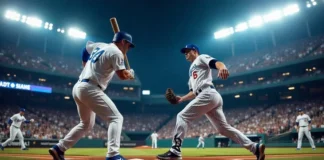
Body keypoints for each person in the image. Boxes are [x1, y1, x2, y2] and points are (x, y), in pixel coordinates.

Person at [156, 44, 265, 160]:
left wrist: (222, 67)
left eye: (187, 51)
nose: (185, 54)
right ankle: (255, 148)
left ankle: (175, 151)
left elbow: (215, 62)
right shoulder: (190, 72)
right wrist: (181, 99)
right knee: (223, 129)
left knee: (182, 117)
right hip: (208, 96)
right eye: (184, 52)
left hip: (208, 93)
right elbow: (194, 92)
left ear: (194, 51)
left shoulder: (200, 58)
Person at [49, 31, 136, 160]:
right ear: (123, 42)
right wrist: (129, 74)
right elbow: (122, 76)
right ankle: (113, 155)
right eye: (128, 45)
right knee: (116, 118)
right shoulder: (117, 52)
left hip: (79, 87)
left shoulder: (100, 45)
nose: (128, 49)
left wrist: (85, 64)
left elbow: (85, 49)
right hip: (91, 88)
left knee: (86, 124)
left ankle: (59, 148)